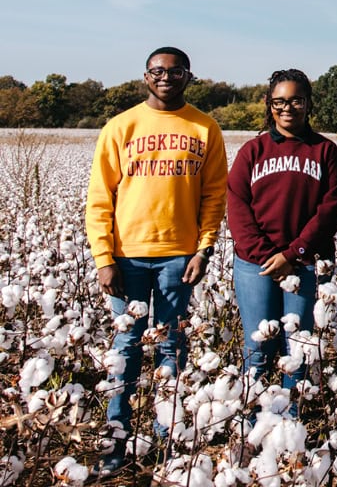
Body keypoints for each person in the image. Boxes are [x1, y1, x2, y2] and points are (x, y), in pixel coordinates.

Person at [85, 46, 228, 475]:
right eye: (157, 71)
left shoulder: (206, 128)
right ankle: (116, 439)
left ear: (188, 76)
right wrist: (103, 257)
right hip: (126, 258)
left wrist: (204, 249)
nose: (166, 77)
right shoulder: (120, 126)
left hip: (179, 258)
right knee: (125, 349)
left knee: (172, 346)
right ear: (146, 76)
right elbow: (99, 198)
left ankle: (167, 440)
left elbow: (214, 196)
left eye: (175, 71)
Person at [226, 69, 337, 397]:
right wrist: (268, 256)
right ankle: (253, 421)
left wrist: (294, 254)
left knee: (298, 348)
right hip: (255, 265)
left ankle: (291, 420)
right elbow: (237, 206)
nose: (287, 108)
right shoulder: (252, 151)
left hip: (305, 264)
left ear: (308, 104)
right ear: (269, 104)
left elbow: (329, 210)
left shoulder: (326, 152)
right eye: (279, 101)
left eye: (296, 100)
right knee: (257, 347)